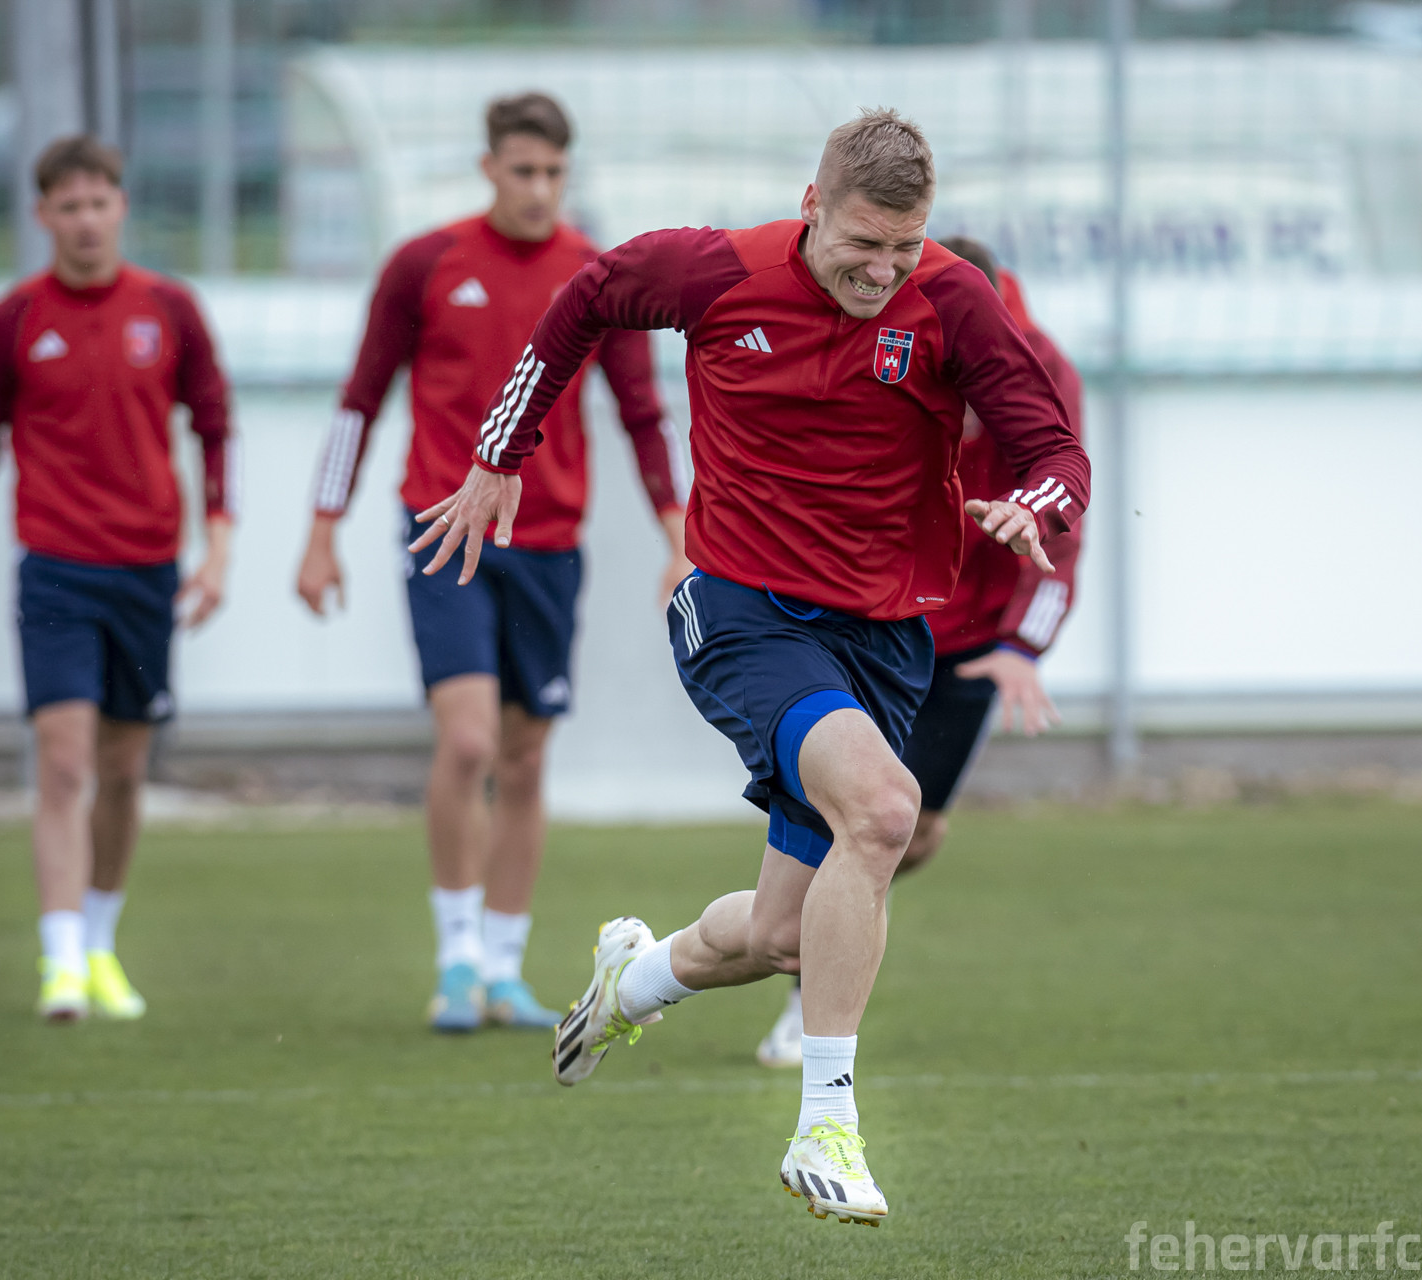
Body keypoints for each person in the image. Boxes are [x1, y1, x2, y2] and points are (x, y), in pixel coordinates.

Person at [410, 109, 1090, 1224]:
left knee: (780, 933)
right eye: (862, 242)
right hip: (743, 610)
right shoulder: (715, 271)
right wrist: (500, 455)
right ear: (812, 206)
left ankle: (632, 979)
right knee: (886, 810)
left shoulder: (954, 297)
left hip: (885, 640)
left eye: (904, 247)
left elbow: (1056, 448)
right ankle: (827, 1125)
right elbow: (584, 301)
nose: (882, 271)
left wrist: (1035, 503)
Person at [295, 93, 690, 1033]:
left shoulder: (595, 278)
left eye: (554, 172)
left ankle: (507, 968)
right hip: (446, 530)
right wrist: (321, 530)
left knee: (524, 754)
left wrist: (679, 537)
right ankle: (458, 958)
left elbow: (643, 415)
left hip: (548, 543)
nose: (539, 189)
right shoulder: (425, 264)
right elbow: (359, 401)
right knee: (468, 742)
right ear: (489, 169)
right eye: (523, 171)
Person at [753, 234, 1085, 1070]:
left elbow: (1064, 517)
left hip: (970, 641)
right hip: (869, 623)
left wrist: (1024, 645)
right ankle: (807, 1001)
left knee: (916, 831)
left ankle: (798, 942)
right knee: (864, 817)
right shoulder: (875, 332)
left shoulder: (1038, 368)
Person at [0, 136, 235, 1024]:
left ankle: (99, 943)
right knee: (62, 762)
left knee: (124, 770)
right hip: (56, 571)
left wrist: (218, 548)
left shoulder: (169, 309)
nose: (87, 220)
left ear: (121, 207)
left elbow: (216, 428)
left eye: (100, 203)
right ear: (44, 216)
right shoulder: (12, 321)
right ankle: (60, 958)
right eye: (69, 206)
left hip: (147, 572)